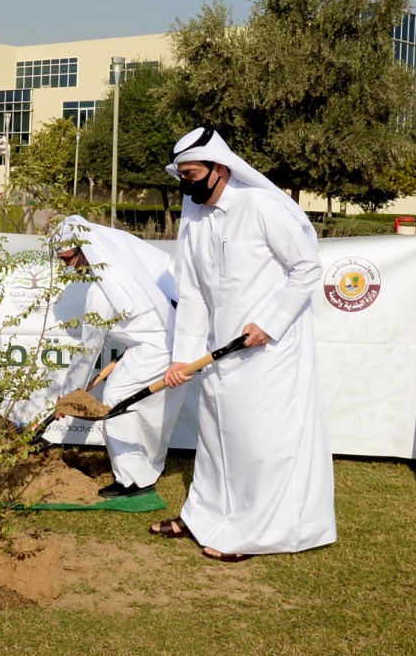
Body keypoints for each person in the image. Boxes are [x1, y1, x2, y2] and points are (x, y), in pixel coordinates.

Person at [152, 127, 336, 562]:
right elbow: (193, 291)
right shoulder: (195, 217)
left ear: (219, 168)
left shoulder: (260, 207)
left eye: (192, 174)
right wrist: (184, 360)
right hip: (219, 352)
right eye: (182, 175)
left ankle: (258, 533)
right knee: (216, 439)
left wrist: (269, 323)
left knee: (260, 443)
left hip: (270, 351)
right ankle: (202, 517)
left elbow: (307, 269)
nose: (186, 184)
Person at [52, 215, 185, 498]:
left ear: (84, 250)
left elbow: (88, 351)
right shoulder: (121, 272)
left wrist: (67, 395)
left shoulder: (101, 294)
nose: (65, 266)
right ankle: (146, 469)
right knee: (146, 410)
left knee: (115, 398)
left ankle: (131, 481)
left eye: (66, 259)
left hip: (156, 349)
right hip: (167, 344)